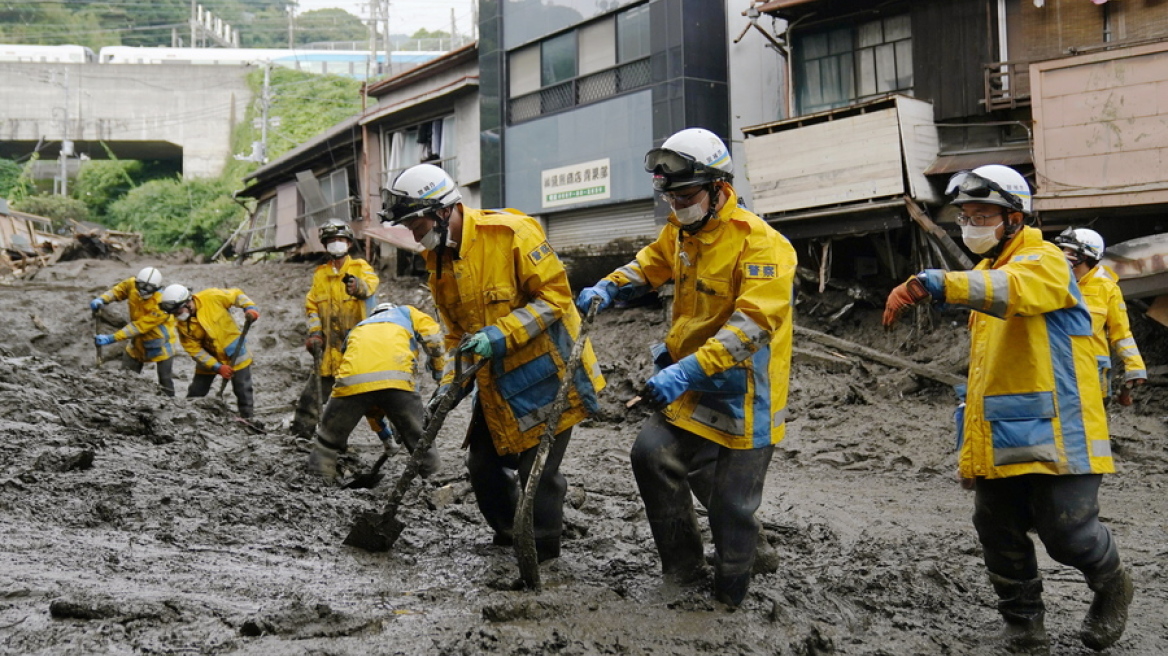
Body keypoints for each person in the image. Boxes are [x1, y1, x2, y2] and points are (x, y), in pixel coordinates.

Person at [883, 165, 1133, 652]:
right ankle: (1023, 625)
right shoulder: (983, 271)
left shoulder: (1046, 261)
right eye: (966, 216)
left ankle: (1113, 585)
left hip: (1062, 428)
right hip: (1001, 429)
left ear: (1015, 219)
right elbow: (985, 370)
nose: (972, 224)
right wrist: (970, 447)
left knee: (1069, 535)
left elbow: (1012, 290)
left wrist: (930, 282)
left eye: (984, 215)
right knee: (996, 527)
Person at [575, 127, 797, 608]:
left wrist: (681, 372)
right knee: (651, 455)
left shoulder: (763, 246)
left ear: (719, 188)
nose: (678, 205)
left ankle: (730, 594)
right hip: (693, 386)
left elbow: (751, 328)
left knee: (732, 508)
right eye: (670, 197)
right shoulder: (680, 233)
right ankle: (682, 568)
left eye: (687, 195)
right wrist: (609, 287)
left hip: (745, 395)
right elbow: (648, 265)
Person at [381, 163, 606, 563]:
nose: (413, 236)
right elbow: (455, 336)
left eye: (414, 225)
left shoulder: (511, 234)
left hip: (547, 373)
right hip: (497, 382)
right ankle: (509, 535)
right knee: (482, 465)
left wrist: (499, 335)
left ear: (440, 210)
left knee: (537, 472)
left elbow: (556, 298)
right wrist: (449, 384)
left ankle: (543, 554)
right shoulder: (439, 265)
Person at [307, 302, 447, 484]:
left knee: (327, 439)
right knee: (419, 440)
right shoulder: (406, 313)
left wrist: (385, 437)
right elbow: (434, 340)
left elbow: (368, 395)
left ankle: (317, 482)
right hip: (397, 380)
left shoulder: (359, 328)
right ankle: (436, 482)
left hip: (351, 382)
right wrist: (438, 374)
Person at [291, 219, 380, 437]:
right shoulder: (320, 274)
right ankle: (300, 438)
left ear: (349, 244)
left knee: (365, 400)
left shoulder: (360, 267)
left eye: (340, 240)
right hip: (329, 351)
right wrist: (314, 333)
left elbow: (370, 286)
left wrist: (357, 286)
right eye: (331, 241)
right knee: (310, 398)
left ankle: (388, 436)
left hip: (355, 350)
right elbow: (312, 306)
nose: (336, 244)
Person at [1052, 227, 1147, 406]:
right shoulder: (1052, 283)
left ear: (1085, 256)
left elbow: (1121, 333)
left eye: (1069, 251)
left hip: (1092, 371)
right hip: (1056, 366)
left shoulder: (1107, 289)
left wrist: (1134, 367)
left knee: (1093, 424)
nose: (1063, 255)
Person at [159, 284, 261, 419]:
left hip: (234, 350)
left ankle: (248, 418)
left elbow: (237, 295)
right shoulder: (183, 326)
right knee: (197, 390)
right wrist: (217, 367)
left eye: (178, 312)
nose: (177, 317)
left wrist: (250, 308)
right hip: (209, 355)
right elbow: (195, 351)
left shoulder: (211, 297)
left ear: (188, 303)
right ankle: (186, 415)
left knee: (243, 389)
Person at [91, 266, 178, 396]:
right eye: (141, 285)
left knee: (165, 379)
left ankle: (171, 404)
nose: (143, 290)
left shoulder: (162, 305)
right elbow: (118, 290)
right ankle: (122, 398)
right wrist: (103, 299)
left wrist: (112, 338)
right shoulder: (132, 284)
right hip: (137, 342)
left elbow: (138, 327)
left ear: (157, 288)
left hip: (160, 343)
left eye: (148, 288)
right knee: (125, 375)